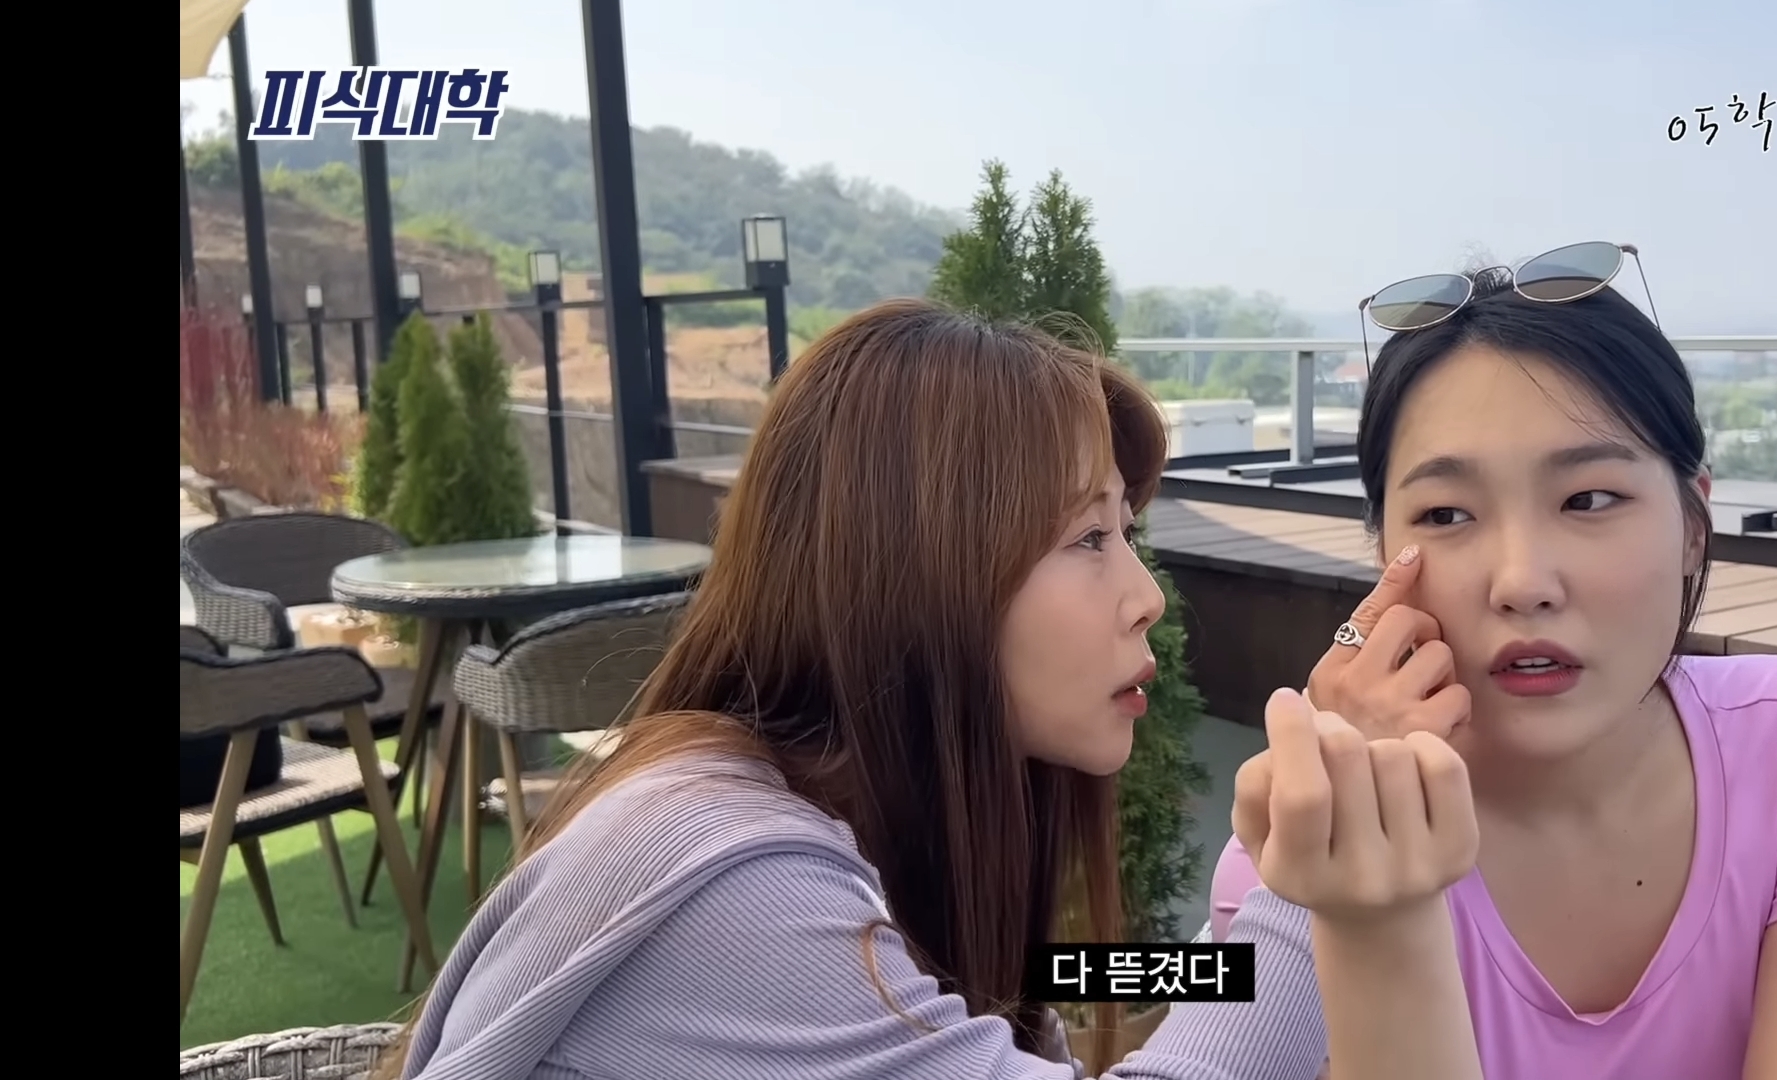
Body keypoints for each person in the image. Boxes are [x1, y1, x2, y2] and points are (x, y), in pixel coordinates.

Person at [373, 298, 1485, 1080]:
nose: (1145, 595)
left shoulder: (870, 831)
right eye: (1088, 537)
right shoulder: (737, 884)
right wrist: (1325, 870)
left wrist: (1265, 879)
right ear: (916, 570)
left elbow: (1064, 973)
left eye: (1129, 534)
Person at [1197, 252, 1777, 1079]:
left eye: (1589, 499)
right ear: (1383, 558)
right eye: (1446, 515)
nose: (1522, 583)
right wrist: (1373, 899)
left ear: (1693, 527)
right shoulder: (1300, 855)